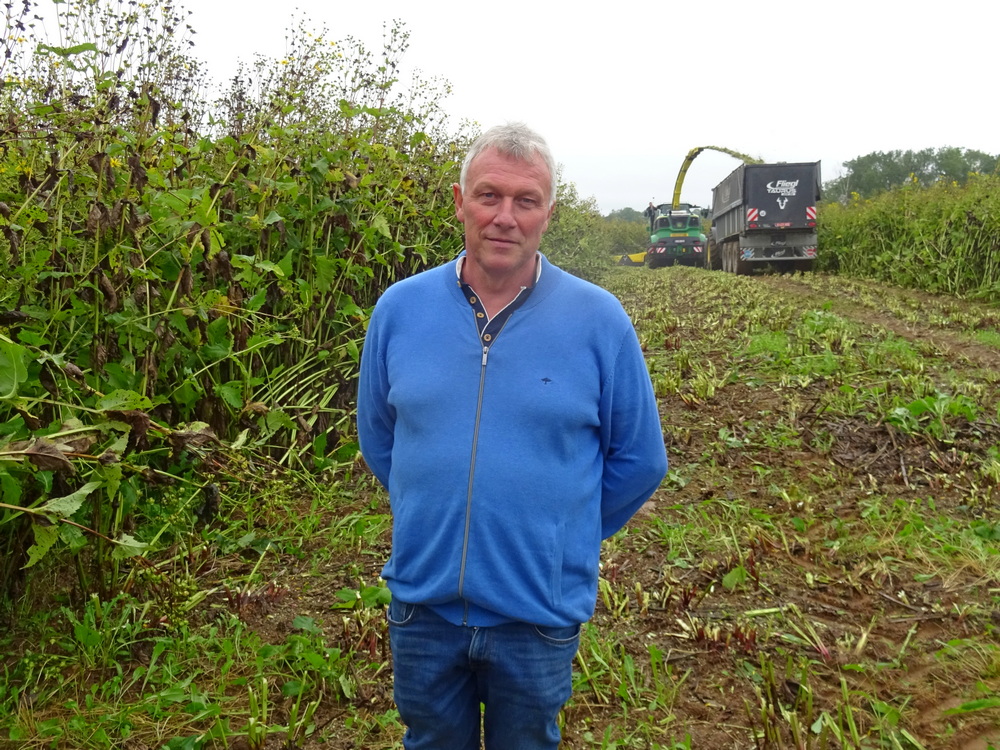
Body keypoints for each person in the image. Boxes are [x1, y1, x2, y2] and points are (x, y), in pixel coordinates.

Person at [357, 123, 668, 749]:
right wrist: (439, 508)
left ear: (547, 213)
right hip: (423, 608)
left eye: (525, 201)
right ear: (459, 201)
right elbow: (380, 438)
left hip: (536, 617)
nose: (505, 217)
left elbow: (639, 459)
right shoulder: (399, 310)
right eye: (488, 196)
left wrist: (560, 532)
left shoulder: (598, 320)